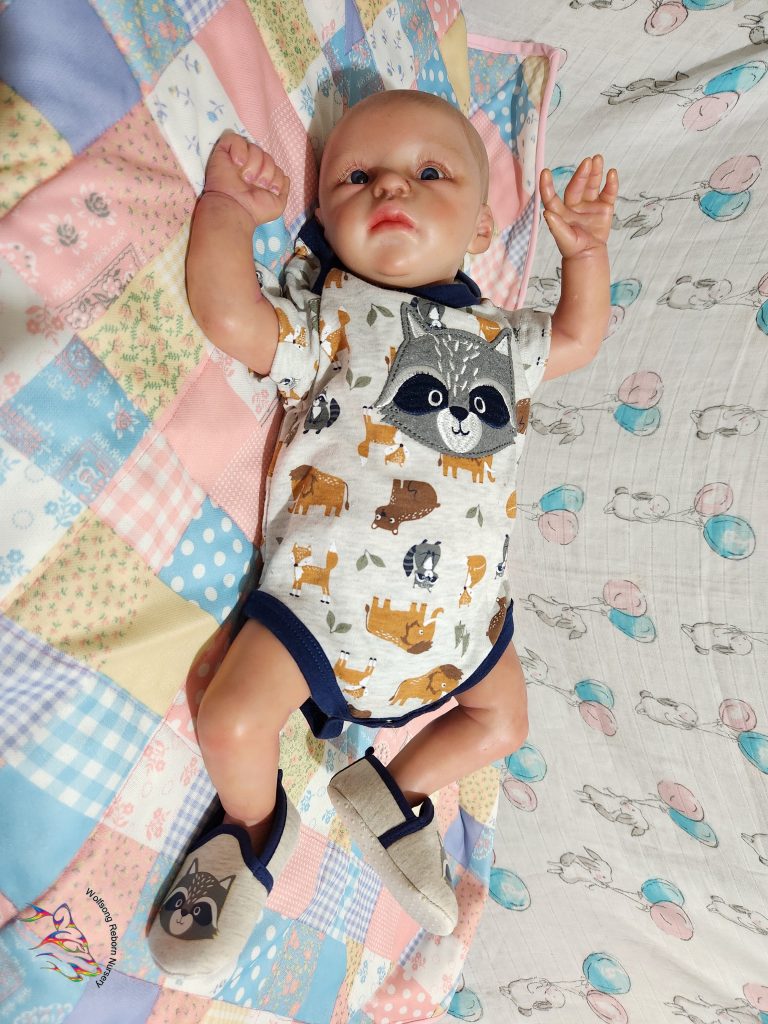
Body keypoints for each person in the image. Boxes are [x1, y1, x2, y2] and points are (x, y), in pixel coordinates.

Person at [148, 88, 618, 980]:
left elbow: (578, 338)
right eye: (356, 177)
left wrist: (584, 253)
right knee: (234, 722)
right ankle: (252, 826)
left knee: (503, 723)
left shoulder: (503, 339)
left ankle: (393, 792)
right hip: (318, 609)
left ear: (482, 228)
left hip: (465, 625)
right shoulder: (333, 311)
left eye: (429, 173)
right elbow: (231, 317)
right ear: (324, 218)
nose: (391, 186)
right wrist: (227, 214)